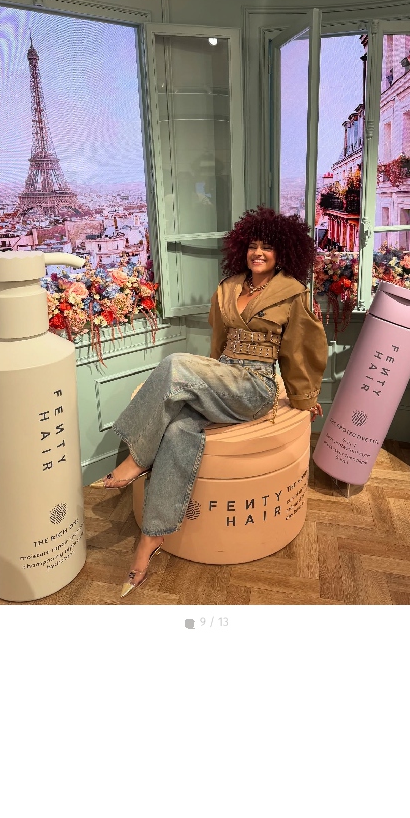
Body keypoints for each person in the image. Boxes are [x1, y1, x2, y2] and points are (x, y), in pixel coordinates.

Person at [93, 207, 329, 596]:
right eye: (252, 245)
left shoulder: (292, 293)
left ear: (282, 253)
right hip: (223, 377)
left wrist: (304, 398)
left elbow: (302, 349)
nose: (258, 253)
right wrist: (206, 380)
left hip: (254, 388)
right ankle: (150, 540)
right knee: (178, 431)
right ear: (242, 249)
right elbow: (218, 345)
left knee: (174, 364)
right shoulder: (228, 287)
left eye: (267, 247)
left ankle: (136, 460)